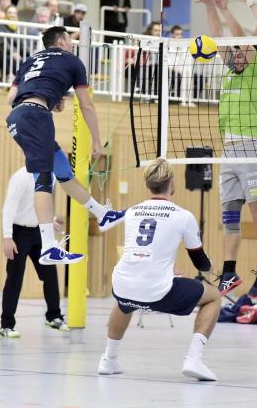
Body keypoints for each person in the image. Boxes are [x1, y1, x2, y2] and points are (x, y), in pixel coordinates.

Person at [6, 26, 126, 265]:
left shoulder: (30, 60)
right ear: (61, 41)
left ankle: (102, 214)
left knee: (62, 171)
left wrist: (49, 99)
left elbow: (10, 98)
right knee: (43, 179)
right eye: (70, 40)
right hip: (37, 116)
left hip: (18, 117)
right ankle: (49, 247)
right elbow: (86, 105)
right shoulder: (73, 61)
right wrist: (96, 139)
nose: (72, 44)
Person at [98, 158, 221, 381]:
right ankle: (194, 359)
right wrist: (214, 268)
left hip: (123, 282)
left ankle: (108, 359)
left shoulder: (132, 211)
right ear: (172, 182)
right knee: (213, 297)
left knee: (125, 300)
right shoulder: (183, 216)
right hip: (156, 289)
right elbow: (200, 263)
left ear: (148, 183)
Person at [196, 0, 257, 298]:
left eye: (241, 51)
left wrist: (230, 8)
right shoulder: (230, 73)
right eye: (234, 52)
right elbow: (220, 38)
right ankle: (229, 272)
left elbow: (239, 38)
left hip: (252, 148)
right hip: (228, 151)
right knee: (230, 214)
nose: (236, 55)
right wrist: (211, 7)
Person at [0, 167, 70, 338]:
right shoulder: (20, 178)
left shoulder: (49, 176)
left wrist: (50, 222)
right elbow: (8, 208)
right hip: (19, 233)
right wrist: (7, 237)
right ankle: (6, 325)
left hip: (39, 231)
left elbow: (39, 205)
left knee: (50, 274)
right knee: (15, 279)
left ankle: (53, 316)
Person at [0, 6, 23, 78]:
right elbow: (3, 40)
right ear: (5, 14)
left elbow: (21, 44)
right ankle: (9, 75)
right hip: (4, 51)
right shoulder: (0, 24)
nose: (12, 15)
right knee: (7, 56)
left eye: (14, 13)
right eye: (10, 12)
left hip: (16, 53)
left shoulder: (19, 26)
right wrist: (13, 51)